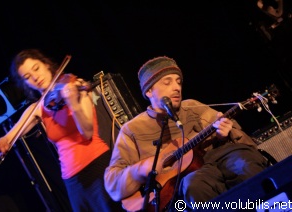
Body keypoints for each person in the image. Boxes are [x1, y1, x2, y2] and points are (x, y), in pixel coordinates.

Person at [104, 56, 268, 211]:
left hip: (214, 157)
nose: (176, 87)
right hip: (181, 181)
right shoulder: (133, 130)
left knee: (245, 161)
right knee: (194, 185)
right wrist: (138, 170)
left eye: (178, 82)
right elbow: (112, 183)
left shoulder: (191, 107)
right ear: (149, 92)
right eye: (167, 83)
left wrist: (224, 133)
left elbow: (235, 134)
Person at [0, 49, 122, 212]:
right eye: (27, 77)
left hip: (97, 167)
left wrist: (73, 103)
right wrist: (1, 142)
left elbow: (87, 133)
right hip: (72, 181)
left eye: (36, 69)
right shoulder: (37, 108)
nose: (35, 77)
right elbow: (10, 136)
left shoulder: (72, 85)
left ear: (46, 65)